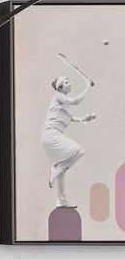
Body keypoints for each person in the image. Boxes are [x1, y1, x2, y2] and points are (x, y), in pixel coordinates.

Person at [41, 57, 97, 208]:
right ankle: (55, 169)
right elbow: (76, 101)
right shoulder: (58, 96)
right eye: (65, 82)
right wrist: (87, 87)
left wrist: (86, 118)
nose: (69, 83)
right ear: (59, 87)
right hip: (51, 135)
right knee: (79, 151)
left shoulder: (62, 107)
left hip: (50, 136)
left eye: (69, 81)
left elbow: (72, 118)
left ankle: (61, 199)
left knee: (63, 169)